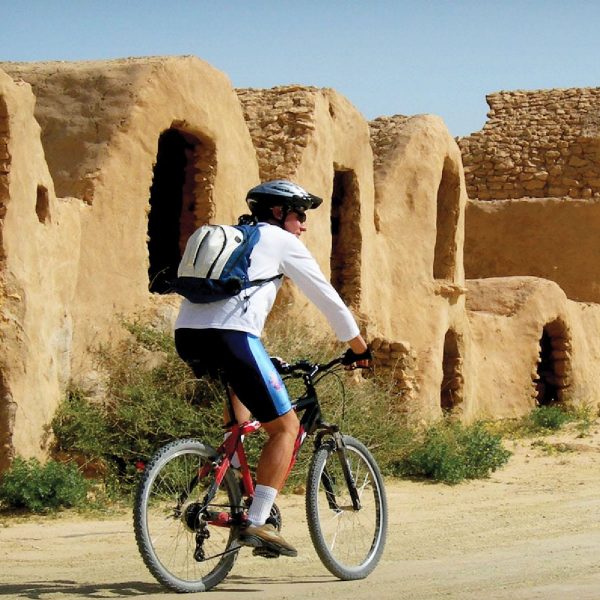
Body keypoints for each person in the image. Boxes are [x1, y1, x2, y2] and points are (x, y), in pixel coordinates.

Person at [174, 179, 371, 557]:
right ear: (279, 213)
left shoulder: (233, 236)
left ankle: (230, 468)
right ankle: (258, 519)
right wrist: (360, 348)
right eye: (300, 215)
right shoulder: (282, 242)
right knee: (286, 428)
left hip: (187, 335)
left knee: (242, 403)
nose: (304, 225)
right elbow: (327, 298)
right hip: (233, 337)